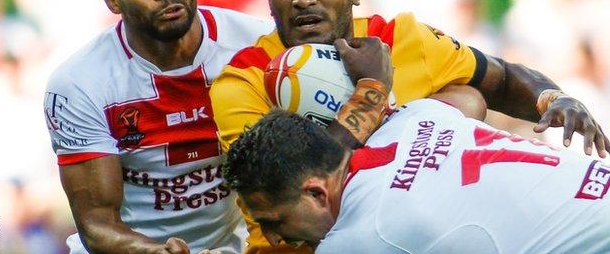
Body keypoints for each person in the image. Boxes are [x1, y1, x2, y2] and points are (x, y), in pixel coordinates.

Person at [209, 0, 608, 253]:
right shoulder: (242, 81)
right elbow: (294, 182)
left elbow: (498, 79)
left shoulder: (400, 38)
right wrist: (372, 90)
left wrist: (553, 98)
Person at [42, 0, 284, 254]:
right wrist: (156, 251)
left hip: (231, 245)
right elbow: (96, 223)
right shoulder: (79, 83)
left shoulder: (258, 45)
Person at [224, 105, 610, 254]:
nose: (274, 239)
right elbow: (468, 95)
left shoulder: (359, 239)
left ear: (315, 192)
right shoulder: (415, 115)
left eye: (274, 221)